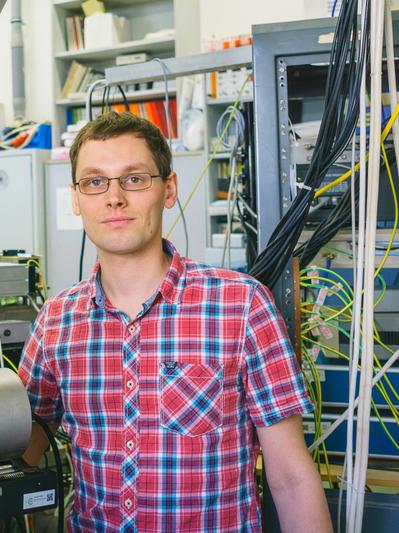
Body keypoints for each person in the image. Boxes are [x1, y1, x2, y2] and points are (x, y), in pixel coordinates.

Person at [18, 112, 332, 532]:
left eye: (133, 179)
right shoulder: (57, 321)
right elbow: (20, 457)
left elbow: (291, 478)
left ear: (168, 189)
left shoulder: (240, 306)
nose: (114, 198)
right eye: (95, 182)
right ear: (77, 199)